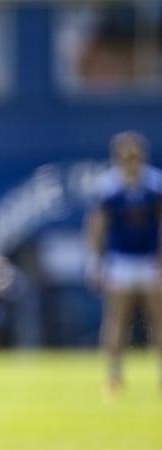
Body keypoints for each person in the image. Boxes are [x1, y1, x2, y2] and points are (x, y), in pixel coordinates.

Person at [84, 130, 162, 397]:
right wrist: (96, 260)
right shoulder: (110, 189)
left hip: (150, 260)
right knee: (118, 319)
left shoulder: (154, 186)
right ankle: (114, 375)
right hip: (121, 261)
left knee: (158, 318)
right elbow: (97, 226)